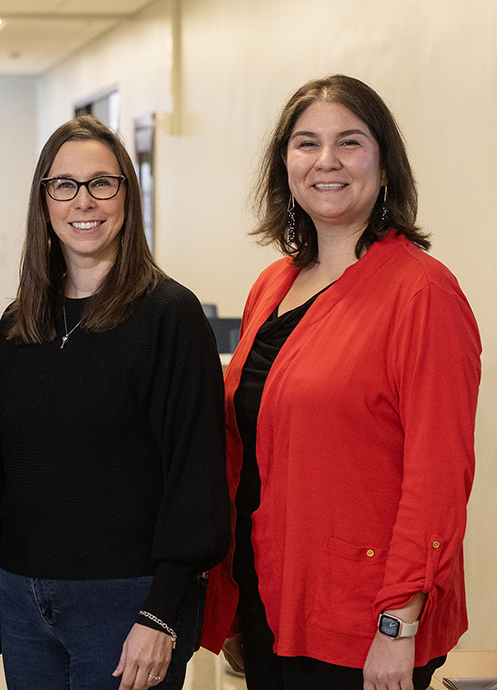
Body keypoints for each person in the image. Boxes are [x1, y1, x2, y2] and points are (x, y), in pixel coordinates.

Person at [200, 75, 481, 690]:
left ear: (384, 165)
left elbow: (439, 472)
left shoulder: (422, 292)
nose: (326, 162)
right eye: (306, 144)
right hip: (272, 596)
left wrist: (397, 625)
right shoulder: (272, 285)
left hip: (362, 616)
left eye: (349, 142)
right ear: (284, 164)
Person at [0, 114, 230, 690]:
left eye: (103, 182)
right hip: (21, 601)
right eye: (65, 185)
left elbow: (195, 475)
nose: (85, 201)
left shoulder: (169, 316)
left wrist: (161, 614)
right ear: (44, 201)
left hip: (126, 605)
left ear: (127, 193)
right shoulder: (18, 326)